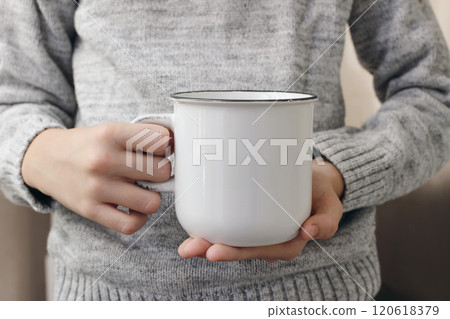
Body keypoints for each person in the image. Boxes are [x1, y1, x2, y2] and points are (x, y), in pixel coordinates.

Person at [0, 0, 449, 301]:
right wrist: (37, 153)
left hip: (321, 294)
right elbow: (13, 98)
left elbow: (433, 94)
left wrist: (336, 171)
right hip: (103, 295)